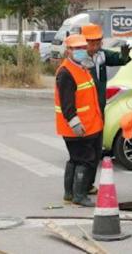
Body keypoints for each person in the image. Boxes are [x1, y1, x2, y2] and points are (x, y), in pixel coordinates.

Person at [80, 23, 131, 195]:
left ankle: (88, 185)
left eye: (98, 42)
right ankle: (79, 187)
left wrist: (125, 54)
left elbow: (120, 60)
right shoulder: (79, 58)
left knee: (96, 150)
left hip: (98, 110)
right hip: (84, 111)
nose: (95, 46)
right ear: (84, 42)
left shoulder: (102, 56)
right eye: (92, 43)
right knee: (83, 152)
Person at [55, 34, 103, 207]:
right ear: (68, 51)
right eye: (77, 48)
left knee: (75, 159)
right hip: (77, 128)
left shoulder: (81, 67)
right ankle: (79, 195)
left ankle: (70, 193)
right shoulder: (66, 73)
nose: (81, 51)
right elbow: (66, 103)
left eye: (83, 48)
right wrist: (75, 123)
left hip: (90, 125)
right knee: (85, 159)